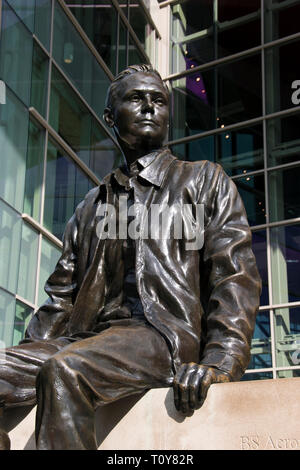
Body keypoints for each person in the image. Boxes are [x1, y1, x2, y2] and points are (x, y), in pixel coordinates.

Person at [0, 65, 261, 450]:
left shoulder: (203, 180)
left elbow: (234, 276)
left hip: (161, 336)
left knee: (65, 371)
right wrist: (27, 358)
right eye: (136, 98)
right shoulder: (91, 206)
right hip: (89, 338)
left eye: (158, 101)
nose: (149, 108)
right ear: (110, 116)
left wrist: (220, 360)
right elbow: (61, 299)